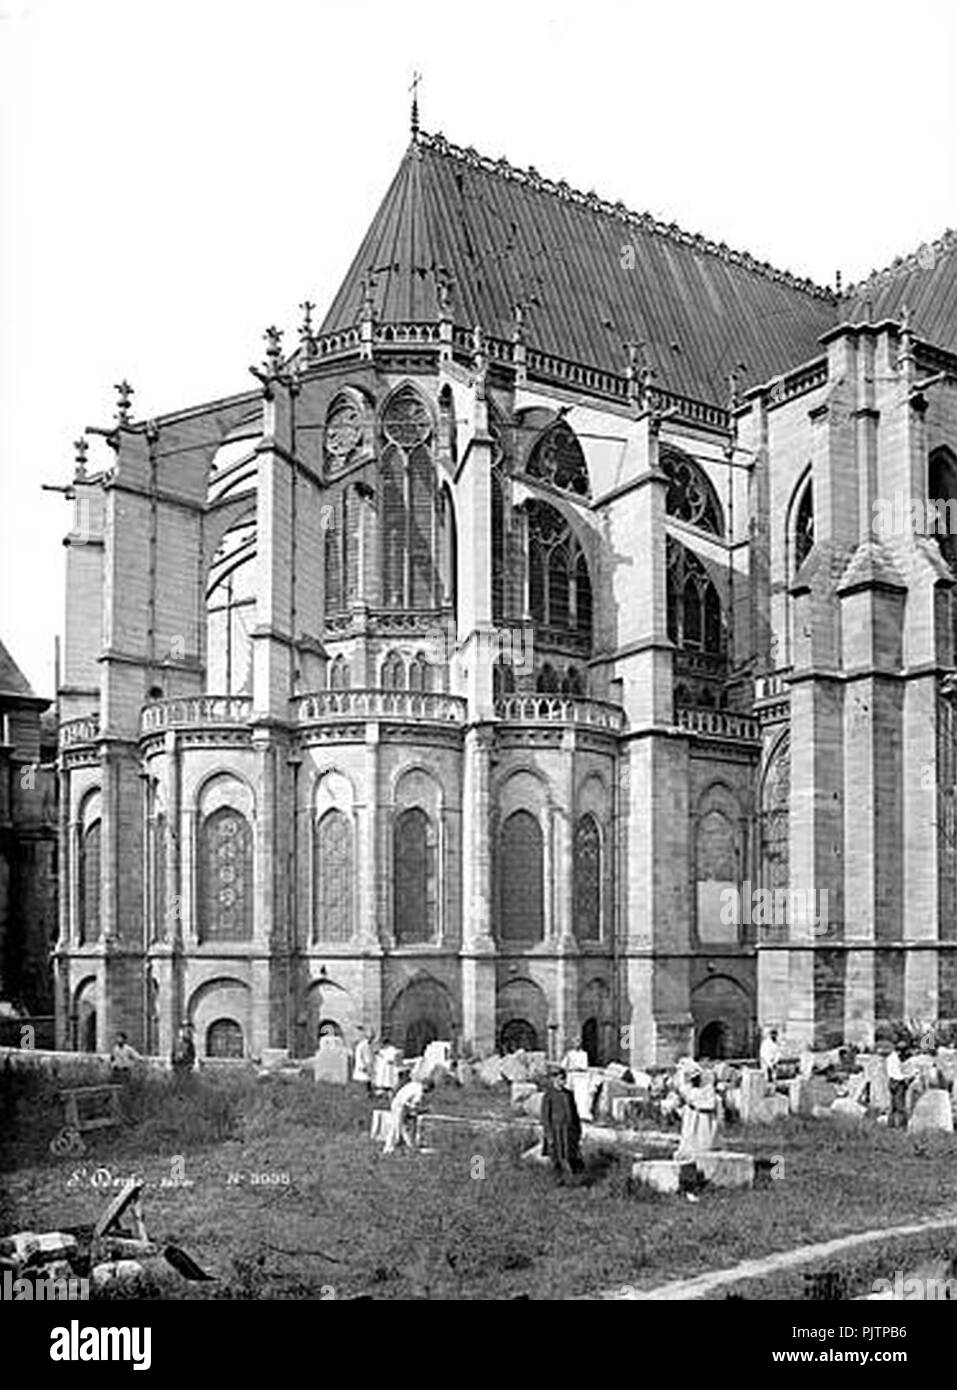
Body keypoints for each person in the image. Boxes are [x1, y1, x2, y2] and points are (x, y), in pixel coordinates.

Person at [541, 1068, 584, 1180]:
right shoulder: (549, 1095)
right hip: (556, 1130)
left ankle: (574, 1179)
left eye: (564, 1079)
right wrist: (549, 1134)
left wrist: (578, 1129)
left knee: (571, 1154)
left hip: (569, 1130)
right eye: (561, 1079)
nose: (563, 1082)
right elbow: (545, 1117)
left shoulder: (568, 1094)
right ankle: (558, 1179)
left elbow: (575, 1113)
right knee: (556, 1156)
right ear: (554, 1079)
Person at [674, 1061, 719, 1160]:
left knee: (704, 1141)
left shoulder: (707, 1090)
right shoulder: (690, 1090)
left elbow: (710, 1104)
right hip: (693, 1118)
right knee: (690, 1139)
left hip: (704, 1120)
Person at [383, 1076, 433, 1154]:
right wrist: (421, 1111)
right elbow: (413, 1106)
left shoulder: (414, 1084)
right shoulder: (419, 1093)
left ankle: (403, 1146)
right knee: (397, 1127)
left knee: (398, 1127)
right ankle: (389, 1148)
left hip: (398, 1102)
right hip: (401, 1106)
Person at [353, 1027, 373, 1096]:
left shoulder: (366, 1045)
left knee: (367, 1082)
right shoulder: (362, 1045)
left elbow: (368, 1057)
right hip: (362, 1067)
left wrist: (369, 1067)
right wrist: (364, 1066)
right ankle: (363, 1094)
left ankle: (368, 1094)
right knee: (363, 1081)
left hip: (366, 1067)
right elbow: (361, 1057)